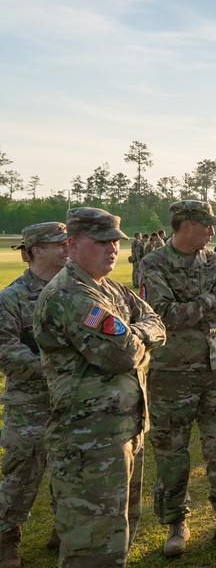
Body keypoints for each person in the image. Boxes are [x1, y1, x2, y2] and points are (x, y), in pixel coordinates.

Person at [34, 208, 166, 566]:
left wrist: (137, 332)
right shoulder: (71, 295)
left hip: (123, 431)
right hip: (89, 444)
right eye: (102, 242)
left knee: (120, 534)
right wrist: (140, 335)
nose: (113, 249)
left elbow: (156, 320)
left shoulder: (109, 288)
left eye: (115, 242)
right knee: (93, 550)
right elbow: (122, 355)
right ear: (73, 245)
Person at [138, 200, 216, 556]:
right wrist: (205, 301)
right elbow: (164, 315)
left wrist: (194, 306)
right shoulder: (151, 263)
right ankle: (176, 523)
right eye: (206, 225)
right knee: (172, 452)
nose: (212, 232)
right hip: (170, 373)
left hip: (214, 368)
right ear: (185, 225)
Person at [0, 223, 69, 564]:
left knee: (69, 466)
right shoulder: (11, 298)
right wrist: (57, 368)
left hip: (70, 400)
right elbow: (5, 350)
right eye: (59, 244)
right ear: (37, 250)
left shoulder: (75, 291)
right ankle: (7, 536)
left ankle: (64, 528)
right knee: (22, 472)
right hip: (29, 403)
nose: (66, 248)